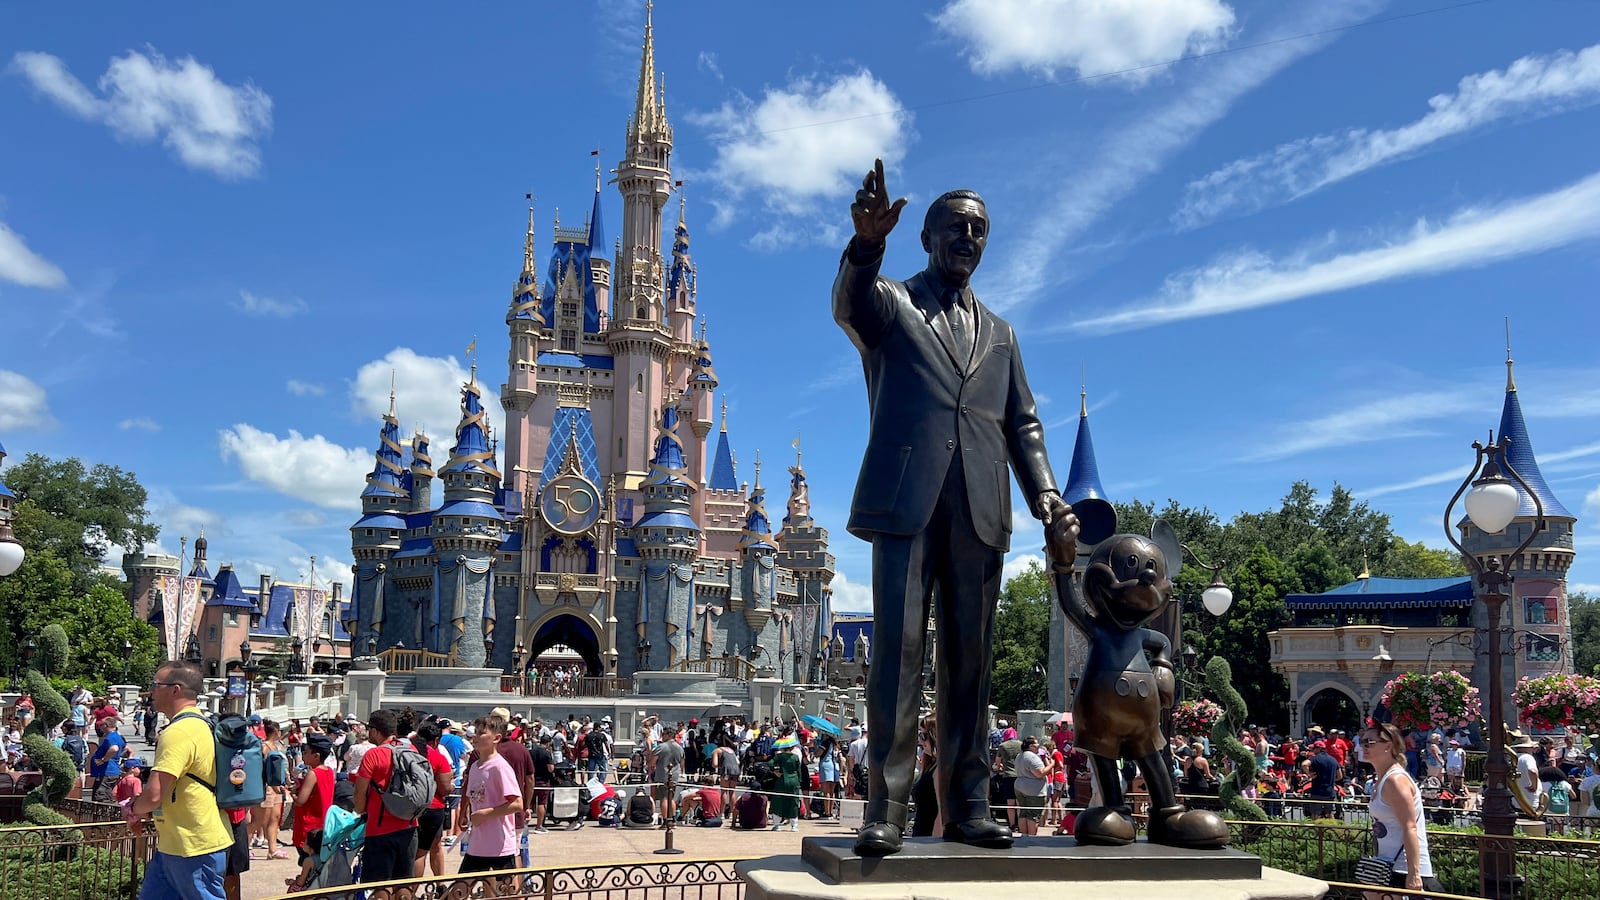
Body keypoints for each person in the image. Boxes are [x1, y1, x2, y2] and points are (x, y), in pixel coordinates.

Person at [835, 159, 1076, 856]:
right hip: (905, 505)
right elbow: (847, 304)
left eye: (980, 230)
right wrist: (865, 245)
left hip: (981, 508)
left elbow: (1021, 424)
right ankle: (886, 805)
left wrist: (1047, 496)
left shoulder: (1001, 334)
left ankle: (969, 804)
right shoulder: (891, 305)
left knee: (973, 661)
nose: (969, 238)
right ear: (929, 238)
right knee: (899, 655)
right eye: (956, 227)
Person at [124, 661, 231, 900]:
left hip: (193, 845)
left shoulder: (178, 732)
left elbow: (154, 794)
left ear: (175, 689)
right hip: (177, 843)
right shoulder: (201, 724)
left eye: (155, 685)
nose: (151, 690)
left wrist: (133, 809)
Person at [1362, 722, 1441, 894]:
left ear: (1388, 746)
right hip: (1386, 866)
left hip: (1403, 868)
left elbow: (1410, 826)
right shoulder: (1381, 780)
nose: (1364, 746)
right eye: (1362, 742)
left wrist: (1413, 874)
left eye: (1370, 742)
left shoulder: (1395, 780)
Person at [352, 709, 421, 885]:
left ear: (375, 731)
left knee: (378, 887)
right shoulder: (410, 749)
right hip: (409, 826)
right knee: (403, 885)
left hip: (380, 829)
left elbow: (360, 791)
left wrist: (361, 810)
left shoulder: (373, 754)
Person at [461, 716, 524, 874]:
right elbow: (472, 796)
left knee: (506, 893)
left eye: (481, 733)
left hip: (499, 845)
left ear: (496, 738)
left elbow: (517, 803)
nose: (475, 737)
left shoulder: (500, 767)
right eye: (475, 732)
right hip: (477, 844)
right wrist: (464, 814)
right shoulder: (475, 766)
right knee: (459, 890)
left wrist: (486, 813)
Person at [284, 736, 334, 894]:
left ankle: (303, 886)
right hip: (323, 826)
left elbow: (301, 801)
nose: (303, 755)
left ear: (316, 755)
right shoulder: (329, 771)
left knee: (307, 863)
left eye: (306, 752)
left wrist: (292, 793)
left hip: (308, 827)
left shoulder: (313, 773)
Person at [412, 722, 454, 877]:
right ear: (436, 740)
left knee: (420, 850)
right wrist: (451, 786)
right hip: (433, 807)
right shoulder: (438, 757)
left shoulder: (409, 752)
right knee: (423, 851)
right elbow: (444, 789)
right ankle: (436, 884)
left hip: (412, 807)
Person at [254, 721, 289, 859]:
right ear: (275, 731)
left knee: (275, 818)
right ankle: (242, 844)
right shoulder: (265, 746)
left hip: (277, 786)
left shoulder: (276, 746)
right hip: (267, 786)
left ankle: (272, 849)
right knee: (259, 820)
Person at [1013, 736, 1053, 836]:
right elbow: (1040, 773)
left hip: (1020, 786)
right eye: (1037, 745)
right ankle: (1031, 837)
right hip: (1033, 790)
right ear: (1031, 746)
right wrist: (1052, 764)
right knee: (1033, 816)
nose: (1038, 747)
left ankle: (1024, 835)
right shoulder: (1032, 757)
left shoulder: (1020, 755)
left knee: (1023, 813)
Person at [769, 728, 802, 831]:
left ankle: (777, 825)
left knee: (778, 801)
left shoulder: (779, 756)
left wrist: (775, 772)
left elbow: (770, 764)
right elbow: (799, 771)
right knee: (793, 802)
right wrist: (799, 781)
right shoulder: (795, 757)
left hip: (782, 780)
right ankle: (794, 825)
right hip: (794, 781)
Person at [650, 729, 684, 827]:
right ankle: (672, 819)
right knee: (671, 797)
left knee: (664, 798)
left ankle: (666, 820)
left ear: (669, 735)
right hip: (675, 775)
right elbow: (682, 763)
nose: (662, 736)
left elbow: (652, 762)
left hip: (662, 775)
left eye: (663, 734)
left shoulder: (661, 747)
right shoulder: (680, 748)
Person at [89, 717, 126, 803]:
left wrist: (103, 760)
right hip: (108, 771)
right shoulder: (117, 736)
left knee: (101, 797)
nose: (100, 727)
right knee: (104, 794)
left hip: (107, 772)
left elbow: (114, 749)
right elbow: (125, 748)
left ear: (107, 725)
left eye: (101, 725)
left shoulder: (111, 737)